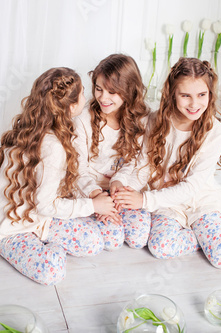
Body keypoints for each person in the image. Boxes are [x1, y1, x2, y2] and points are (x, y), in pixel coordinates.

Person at [113, 58, 221, 268]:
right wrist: (122, 183)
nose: (194, 104)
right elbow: (144, 163)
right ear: (172, 94)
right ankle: (217, 232)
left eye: (201, 95)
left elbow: (192, 187)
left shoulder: (216, 132)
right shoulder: (155, 121)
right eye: (185, 96)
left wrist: (143, 200)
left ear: (210, 94)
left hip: (200, 200)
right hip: (167, 200)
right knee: (160, 247)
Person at [0, 67, 118, 285]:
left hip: (37, 214)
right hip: (13, 227)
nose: (87, 97)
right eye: (83, 93)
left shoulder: (35, 127)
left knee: (98, 240)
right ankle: (37, 244)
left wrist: (93, 197)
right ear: (72, 106)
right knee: (54, 270)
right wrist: (92, 206)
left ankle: (48, 234)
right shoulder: (53, 146)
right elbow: (45, 205)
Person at [74, 54, 151, 249]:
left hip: (122, 186)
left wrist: (121, 184)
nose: (103, 97)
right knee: (112, 240)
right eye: (99, 89)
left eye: (112, 92)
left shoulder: (142, 119)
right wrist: (97, 197)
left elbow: (137, 162)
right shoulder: (83, 119)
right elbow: (77, 169)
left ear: (129, 92)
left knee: (138, 238)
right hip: (88, 189)